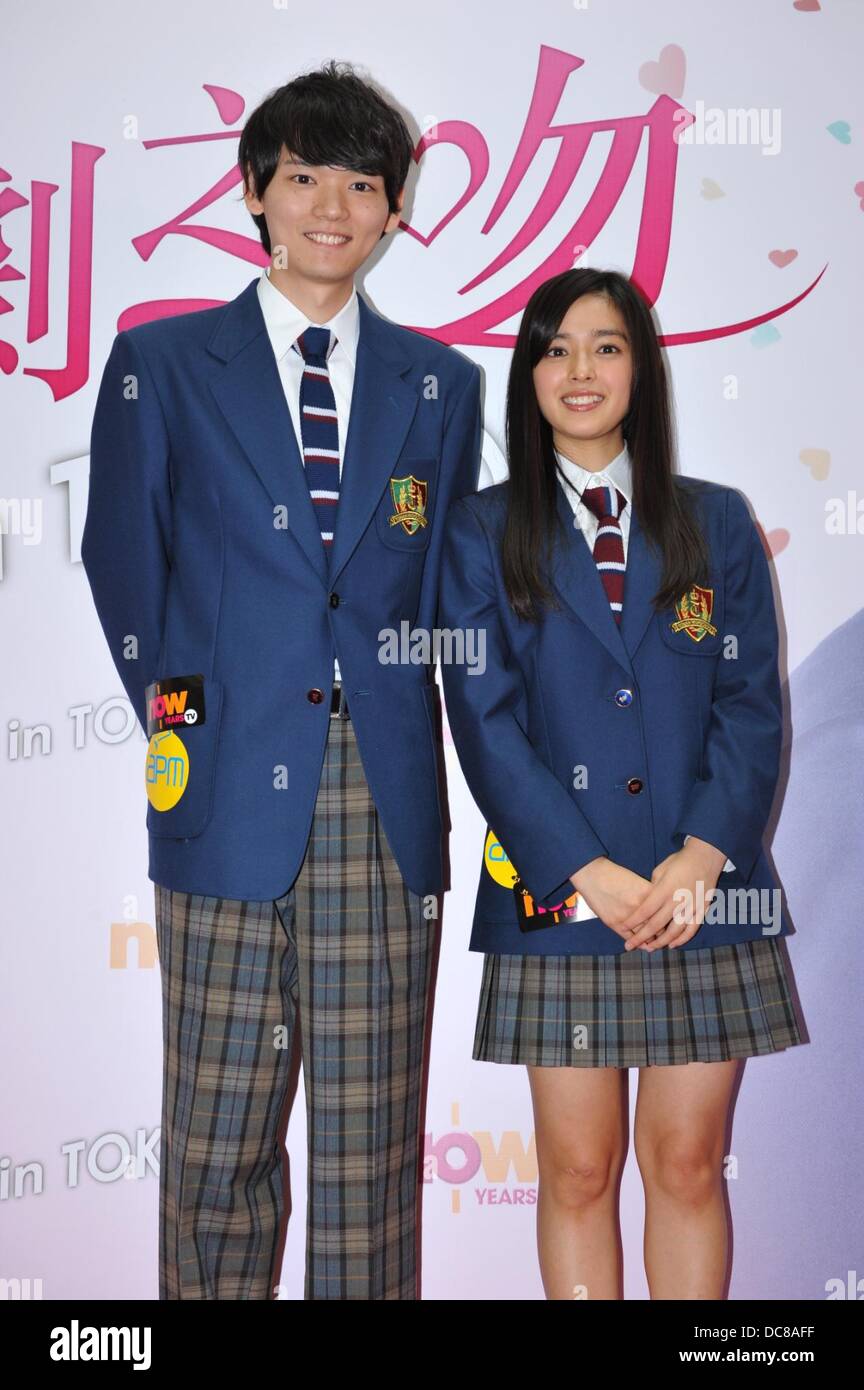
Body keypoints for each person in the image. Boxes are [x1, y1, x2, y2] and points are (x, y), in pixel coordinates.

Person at [81, 60, 482, 1300]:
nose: (332, 205)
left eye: (364, 182)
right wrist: (193, 714)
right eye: (304, 175)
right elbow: (122, 561)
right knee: (216, 1146)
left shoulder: (442, 387)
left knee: (374, 1156)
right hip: (224, 799)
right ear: (257, 191)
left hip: (388, 799)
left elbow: (445, 592)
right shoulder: (161, 363)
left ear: (395, 210)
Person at [438, 267, 804, 1300]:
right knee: (578, 1169)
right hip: (560, 896)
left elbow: (750, 702)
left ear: (641, 365)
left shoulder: (716, 522)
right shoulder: (480, 531)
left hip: (705, 896)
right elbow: (485, 719)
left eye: (604, 345)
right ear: (528, 374)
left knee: (687, 1163)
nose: (580, 369)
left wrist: (702, 853)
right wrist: (583, 866)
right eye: (554, 348)